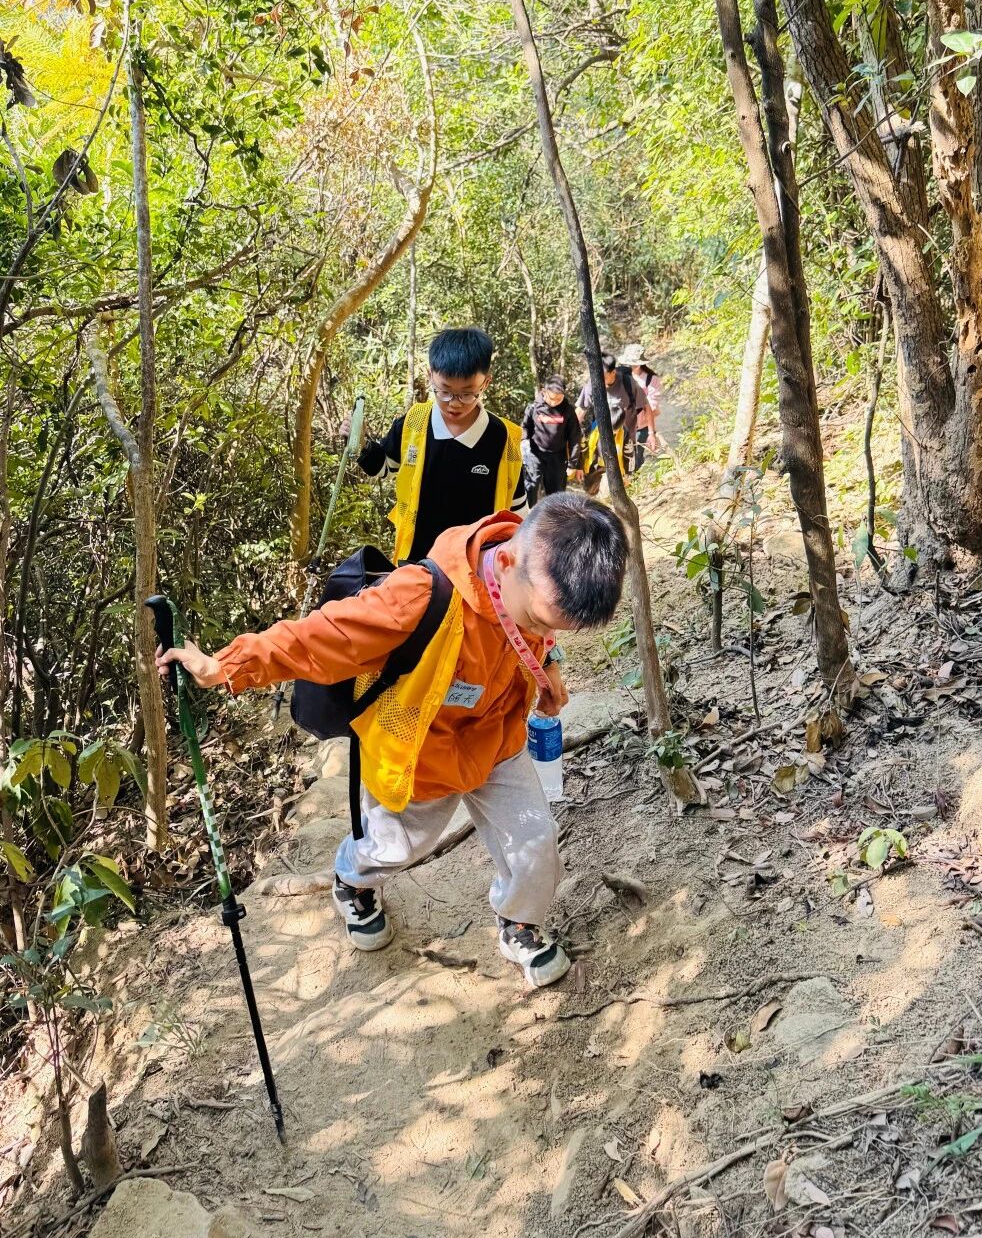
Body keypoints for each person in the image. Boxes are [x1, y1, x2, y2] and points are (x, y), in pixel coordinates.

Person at [158, 495, 629, 989]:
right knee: (395, 847)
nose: (543, 630)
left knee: (535, 841)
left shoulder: (532, 579)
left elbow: (532, 639)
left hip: (497, 738)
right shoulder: (420, 597)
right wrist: (226, 666)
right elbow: (319, 638)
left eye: (557, 628)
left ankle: (518, 923)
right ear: (506, 561)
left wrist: (545, 669)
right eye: (540, 618)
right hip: (422, 754)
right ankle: (351, 881)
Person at [356, 326, 526, 563]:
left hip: (474, 566)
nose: (454, 404)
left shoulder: (503, 437)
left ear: (485, 383)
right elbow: (385, 467)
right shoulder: (413, 423)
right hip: (415, 558)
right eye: (444, 391)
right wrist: (362, 444)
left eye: (467, 394)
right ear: (430, 375)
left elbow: (517, 510)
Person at [575, 351, 637, 496]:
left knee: (621, 479)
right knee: (592, 483)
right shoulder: (592, 385)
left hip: (624, 435)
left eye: (603, 376)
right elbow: (580, 412)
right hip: (598, 437)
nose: (599, 380)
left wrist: (629, 474)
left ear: (613, 372)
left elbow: (641, 408)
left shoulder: (627, 384)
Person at [521, 375, 583, 505]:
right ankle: (527, 516)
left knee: (556, 494)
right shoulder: (534, 407)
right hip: (535, 453)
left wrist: (573, 464)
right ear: (544, 391)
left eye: (558, 399)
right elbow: (525, 428)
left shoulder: (568, 411)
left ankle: (552, 519)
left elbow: (575, 438)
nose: (554, 402)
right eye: (551, 398)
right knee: (530, 487)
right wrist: (523, 443)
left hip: (557, 456)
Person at [619, 343, 662, 471]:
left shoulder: (651, 379)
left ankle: (633, 481)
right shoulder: (621, 376)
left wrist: (651, 432)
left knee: (636, 456)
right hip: (623, 425)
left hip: (641, 426)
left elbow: (652, 405)